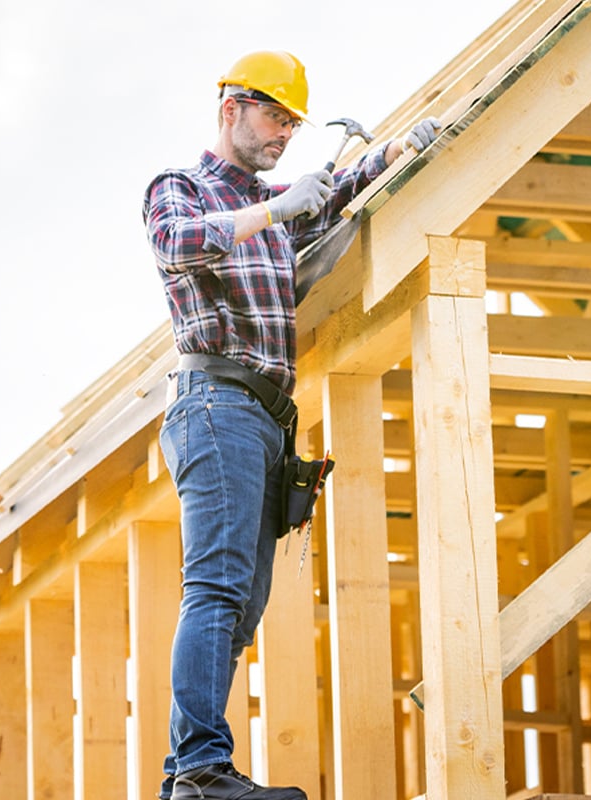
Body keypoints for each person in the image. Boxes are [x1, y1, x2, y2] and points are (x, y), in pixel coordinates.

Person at [142, 50, 441, 800]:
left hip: (264, 420)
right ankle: (202, 771)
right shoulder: (182, 188)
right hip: (217, 402)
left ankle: (191, 772)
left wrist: (400, 149)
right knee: (214, 587)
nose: (284, 132)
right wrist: (274, 210)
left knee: (240, 604)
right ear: (231, 108)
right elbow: (175, 243)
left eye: (293, 123)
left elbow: (337, 190)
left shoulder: (277, 206)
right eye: (274, 115)